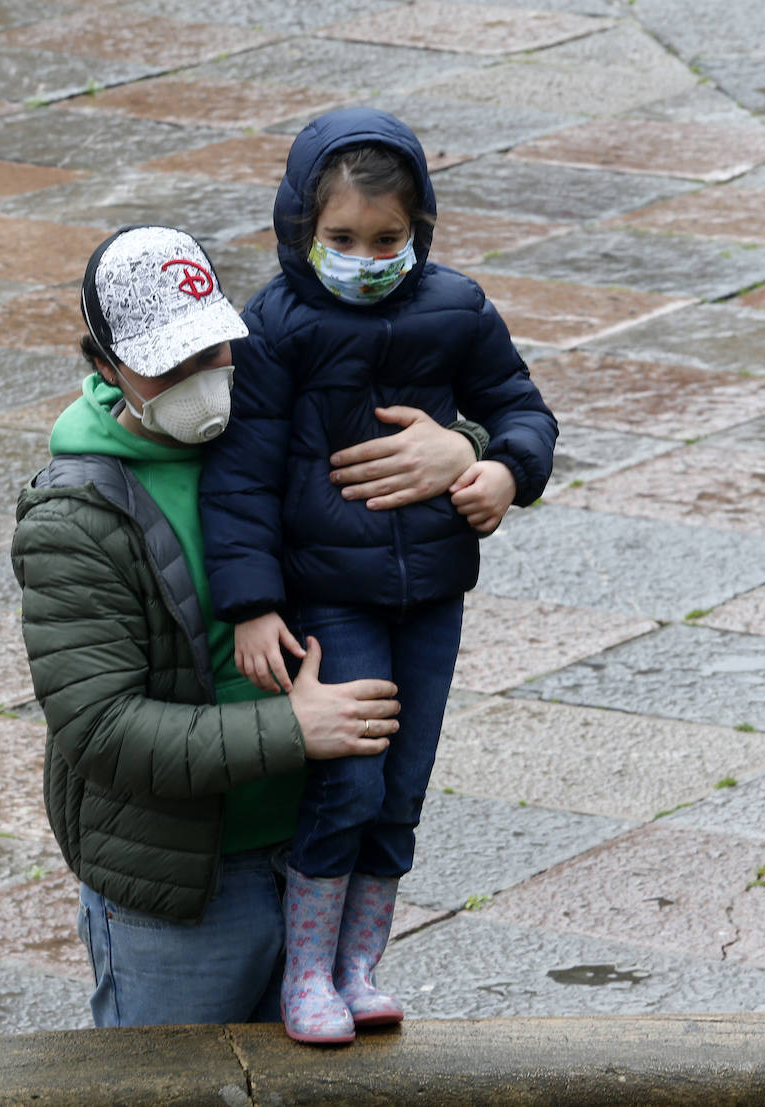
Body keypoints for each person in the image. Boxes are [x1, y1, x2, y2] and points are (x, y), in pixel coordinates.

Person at [10, 223, 491, 1028]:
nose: (204, 382)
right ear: (103, 365)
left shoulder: (273, 417)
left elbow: (418, 444)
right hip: (186, 891)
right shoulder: (74, 519)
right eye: (169, 365)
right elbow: (100, 730)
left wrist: (465, 449)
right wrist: (295, 728)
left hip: (314, 859)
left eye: (213, 352)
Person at [198, 108, 558, 1044]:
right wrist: (252, 602)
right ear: (301, 231)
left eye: (388, 239)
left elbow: (521, 407)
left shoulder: (457, 307)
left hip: (431, 592)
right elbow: (239, 477)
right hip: (331, 592)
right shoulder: (276, 326)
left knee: (402, 784)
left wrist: (502, 470)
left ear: (420, 229)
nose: (367, 255)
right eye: (343, 239)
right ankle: (306, 971)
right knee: (349, 779)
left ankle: (361, 965)